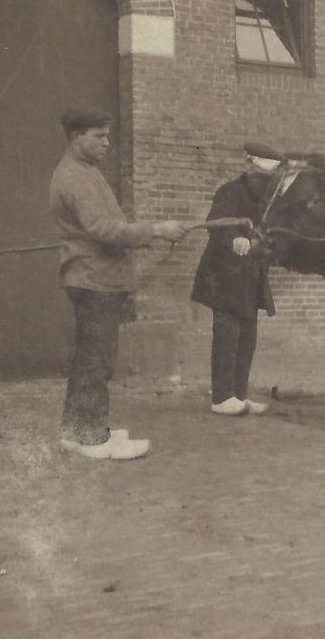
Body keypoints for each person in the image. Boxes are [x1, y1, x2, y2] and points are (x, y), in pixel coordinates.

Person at [50, 107, 188, 460]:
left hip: (94, 278)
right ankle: (92, 439)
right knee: (97, 363)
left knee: (88, 360)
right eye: (98, 136)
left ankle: (76, 432)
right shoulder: (77, 177)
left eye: (107, 136)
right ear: (77, 136)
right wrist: (157, 231)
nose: (106, 143)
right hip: (95, 281)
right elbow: (103, 229)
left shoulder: (83, 171)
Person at [191, 159, 276, 416]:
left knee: (248, 337)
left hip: (251, 275)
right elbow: (216, 223)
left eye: (268, 178)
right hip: (225, 274)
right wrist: (235, 238)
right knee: (228, 335)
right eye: (260, 176)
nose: (263, 182)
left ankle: (239, 395)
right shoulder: (229, 191)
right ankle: (222, 397)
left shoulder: (267, 199)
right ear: (249, 170)